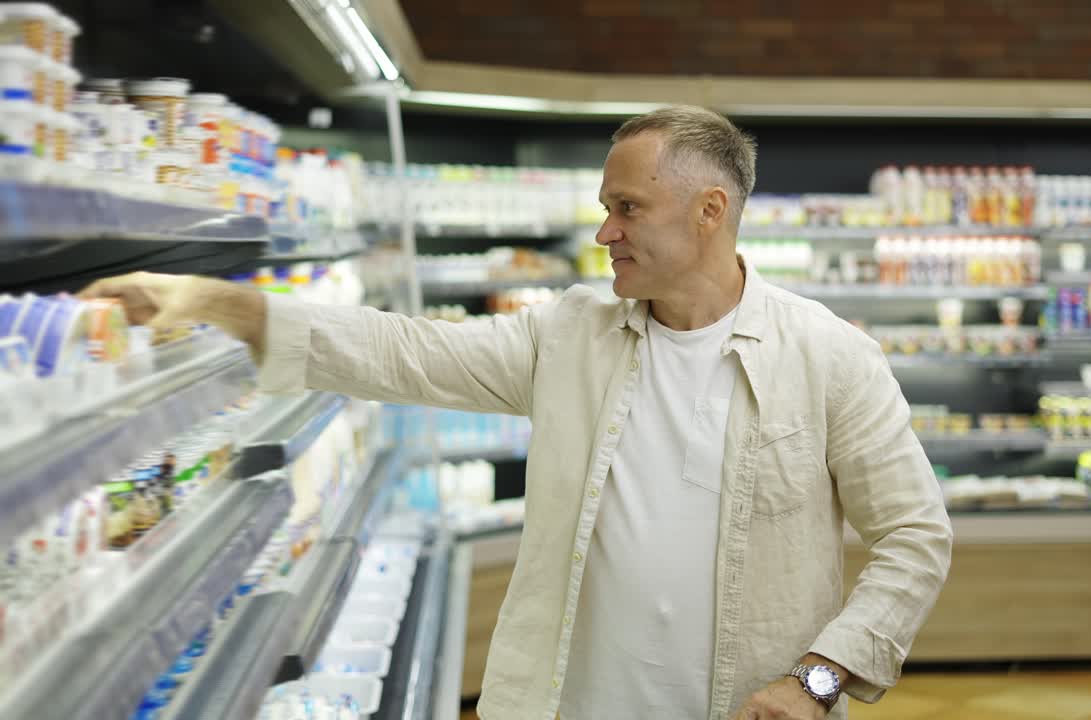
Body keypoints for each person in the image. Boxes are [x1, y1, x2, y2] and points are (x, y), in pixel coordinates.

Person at [82, 105, 952, 720]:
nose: (605, 232)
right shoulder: (572, 334)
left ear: (710, 212)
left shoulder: (829, 356)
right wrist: (217, 301)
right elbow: (403, 350)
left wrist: (818, 681)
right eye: (606, 209)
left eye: (627, 208)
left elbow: (915, 535)